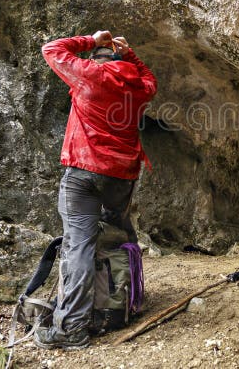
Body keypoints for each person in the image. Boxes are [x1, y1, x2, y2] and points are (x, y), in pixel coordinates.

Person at [36, 30, 157, 350]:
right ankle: (117, 306)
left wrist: (92, 39)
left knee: (79, 246)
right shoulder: (136, 86)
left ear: (95, 61)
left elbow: (52, 49)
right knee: (115, 237)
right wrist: (128, 53)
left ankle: (72, 328)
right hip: (122, 177)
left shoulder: (90, 74)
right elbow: (150, 79)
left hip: (85, 174)